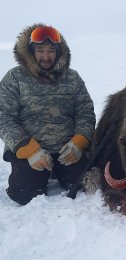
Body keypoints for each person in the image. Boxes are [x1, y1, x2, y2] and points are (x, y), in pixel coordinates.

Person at [0, 24, 96, 205]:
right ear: (30, 51)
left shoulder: (73, 78)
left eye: (51, 50)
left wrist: (78, 143)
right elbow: (4, 118)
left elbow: (85, 113)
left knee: (84, 185)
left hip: (67, 151)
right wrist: (30, 150)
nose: (45, 56)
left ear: (59, 52)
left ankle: (58, 169)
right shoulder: (14, 78)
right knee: (24, 195)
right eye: (40, 50)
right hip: (30, 152)